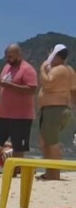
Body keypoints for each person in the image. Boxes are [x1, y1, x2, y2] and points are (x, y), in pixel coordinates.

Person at [0, 44, 38, 163]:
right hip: (4, 115)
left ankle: (17, 170)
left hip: (21, 117)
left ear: (19, 55)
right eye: (6, 57)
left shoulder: (27, 69)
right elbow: (5, 88)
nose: (8, 59)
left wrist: (8, 85)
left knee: (18, 147)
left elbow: (31, 90)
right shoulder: (6, 67)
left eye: (10, 57)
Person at [38, 44, 76, 180]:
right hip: (56, 108)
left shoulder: (59, 69)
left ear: (56, 55)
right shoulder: (69, 70)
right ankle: (50, 171)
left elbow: (47, 83)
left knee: (51, 142)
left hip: (54, 109)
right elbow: (73, 89)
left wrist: (42, 68)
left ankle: (54, 174)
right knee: (45, 141)